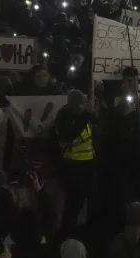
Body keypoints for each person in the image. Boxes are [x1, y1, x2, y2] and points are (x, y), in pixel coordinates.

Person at [56, 89, 96, 237]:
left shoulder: (83, 115)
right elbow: (71, 133)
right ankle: (66, 233)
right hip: (73, 166)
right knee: (73, 203)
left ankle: (78, 230)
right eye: (83, 105)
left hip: (87, 164)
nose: (85, 107)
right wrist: (86, 116)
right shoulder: (64, 117)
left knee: (83, 202)